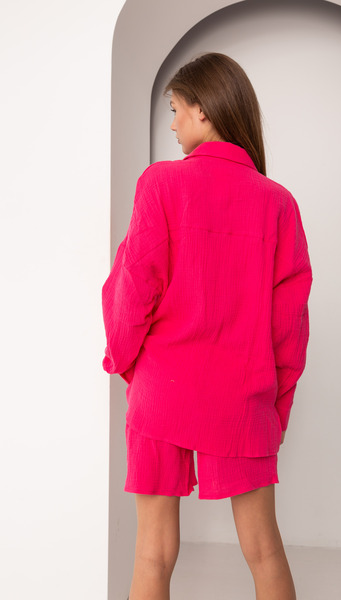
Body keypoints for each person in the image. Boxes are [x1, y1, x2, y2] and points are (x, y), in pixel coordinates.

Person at [101, 52, 313, 600]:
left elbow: (133, 289)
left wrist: (123, 360)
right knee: (265, 550)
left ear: (203, 109)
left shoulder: (161, 184)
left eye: (175, 109)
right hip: (243, 398)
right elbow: (289, 329)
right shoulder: (279, 204)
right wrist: (275, 410)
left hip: (163, 393)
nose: (172, 124)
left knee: (151, 553)